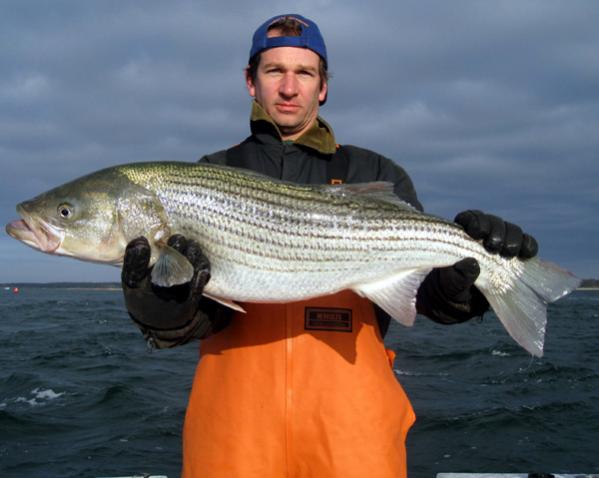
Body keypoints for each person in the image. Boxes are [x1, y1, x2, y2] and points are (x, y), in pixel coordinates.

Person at [121, 14, 539, 478]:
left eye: (304, 73)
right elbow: (207, 314)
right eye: (274, 71)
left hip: (352, 438)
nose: (288, 87)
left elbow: (424, 295)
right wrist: (164, 312)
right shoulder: (210, 174)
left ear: (323, 86)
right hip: (234, 440)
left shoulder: (373, 172)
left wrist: (465, 286)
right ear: (250, 82)